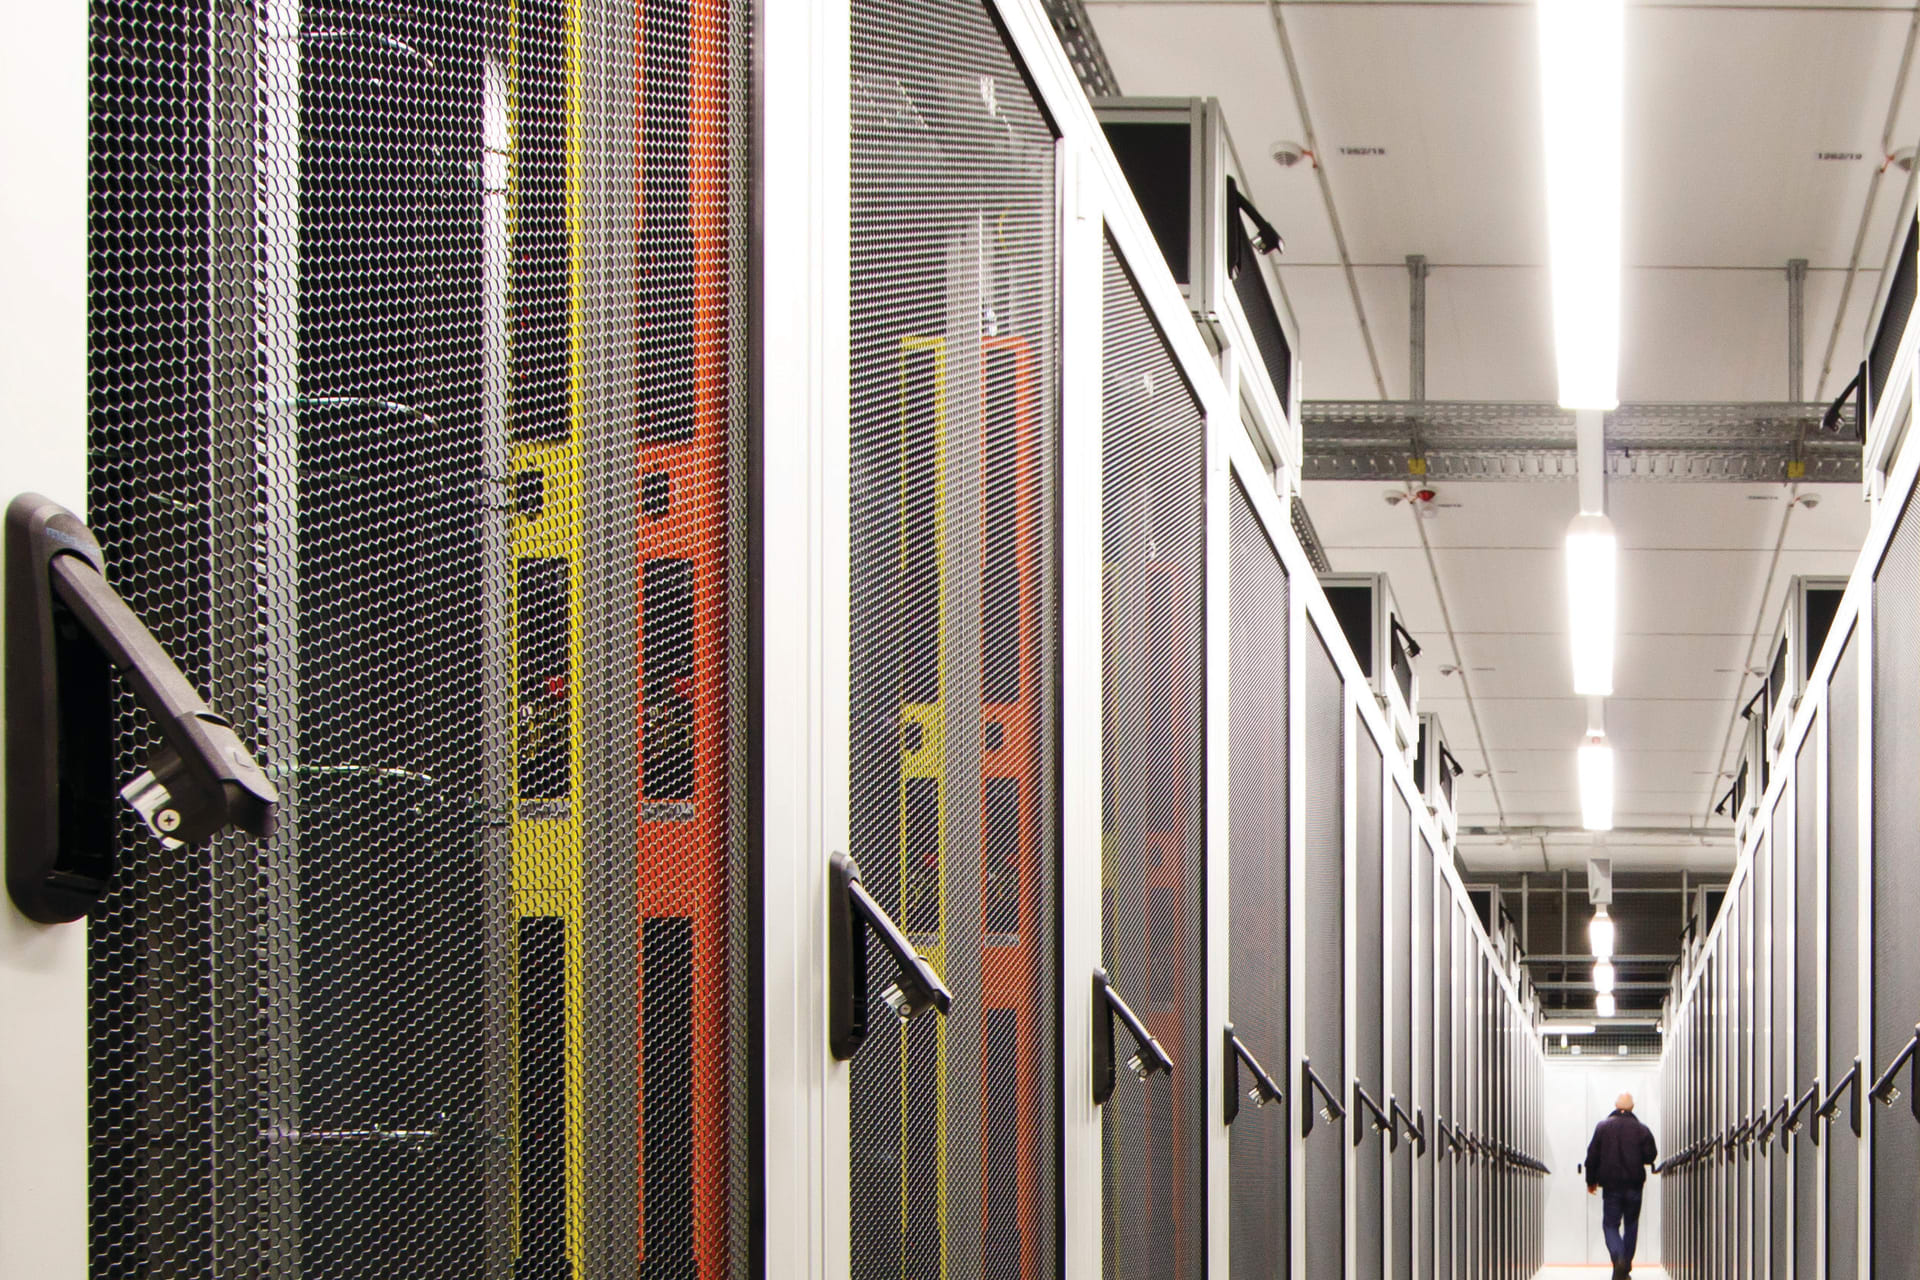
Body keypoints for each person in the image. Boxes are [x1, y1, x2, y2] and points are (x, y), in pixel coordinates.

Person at [1585, 1093, 1659, 1280]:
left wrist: (1590, 1181)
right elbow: (1651, 1156)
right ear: (1633, 1107)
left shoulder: (1602, 1127)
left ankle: (1619, 1259)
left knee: (1610, 1224)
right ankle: (1624, 1268)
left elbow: (1592, 1156)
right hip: (1634, 1185)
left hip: (1611, 1186)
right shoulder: (1642, 1130)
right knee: (1631, 1225)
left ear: (1615, 1106)